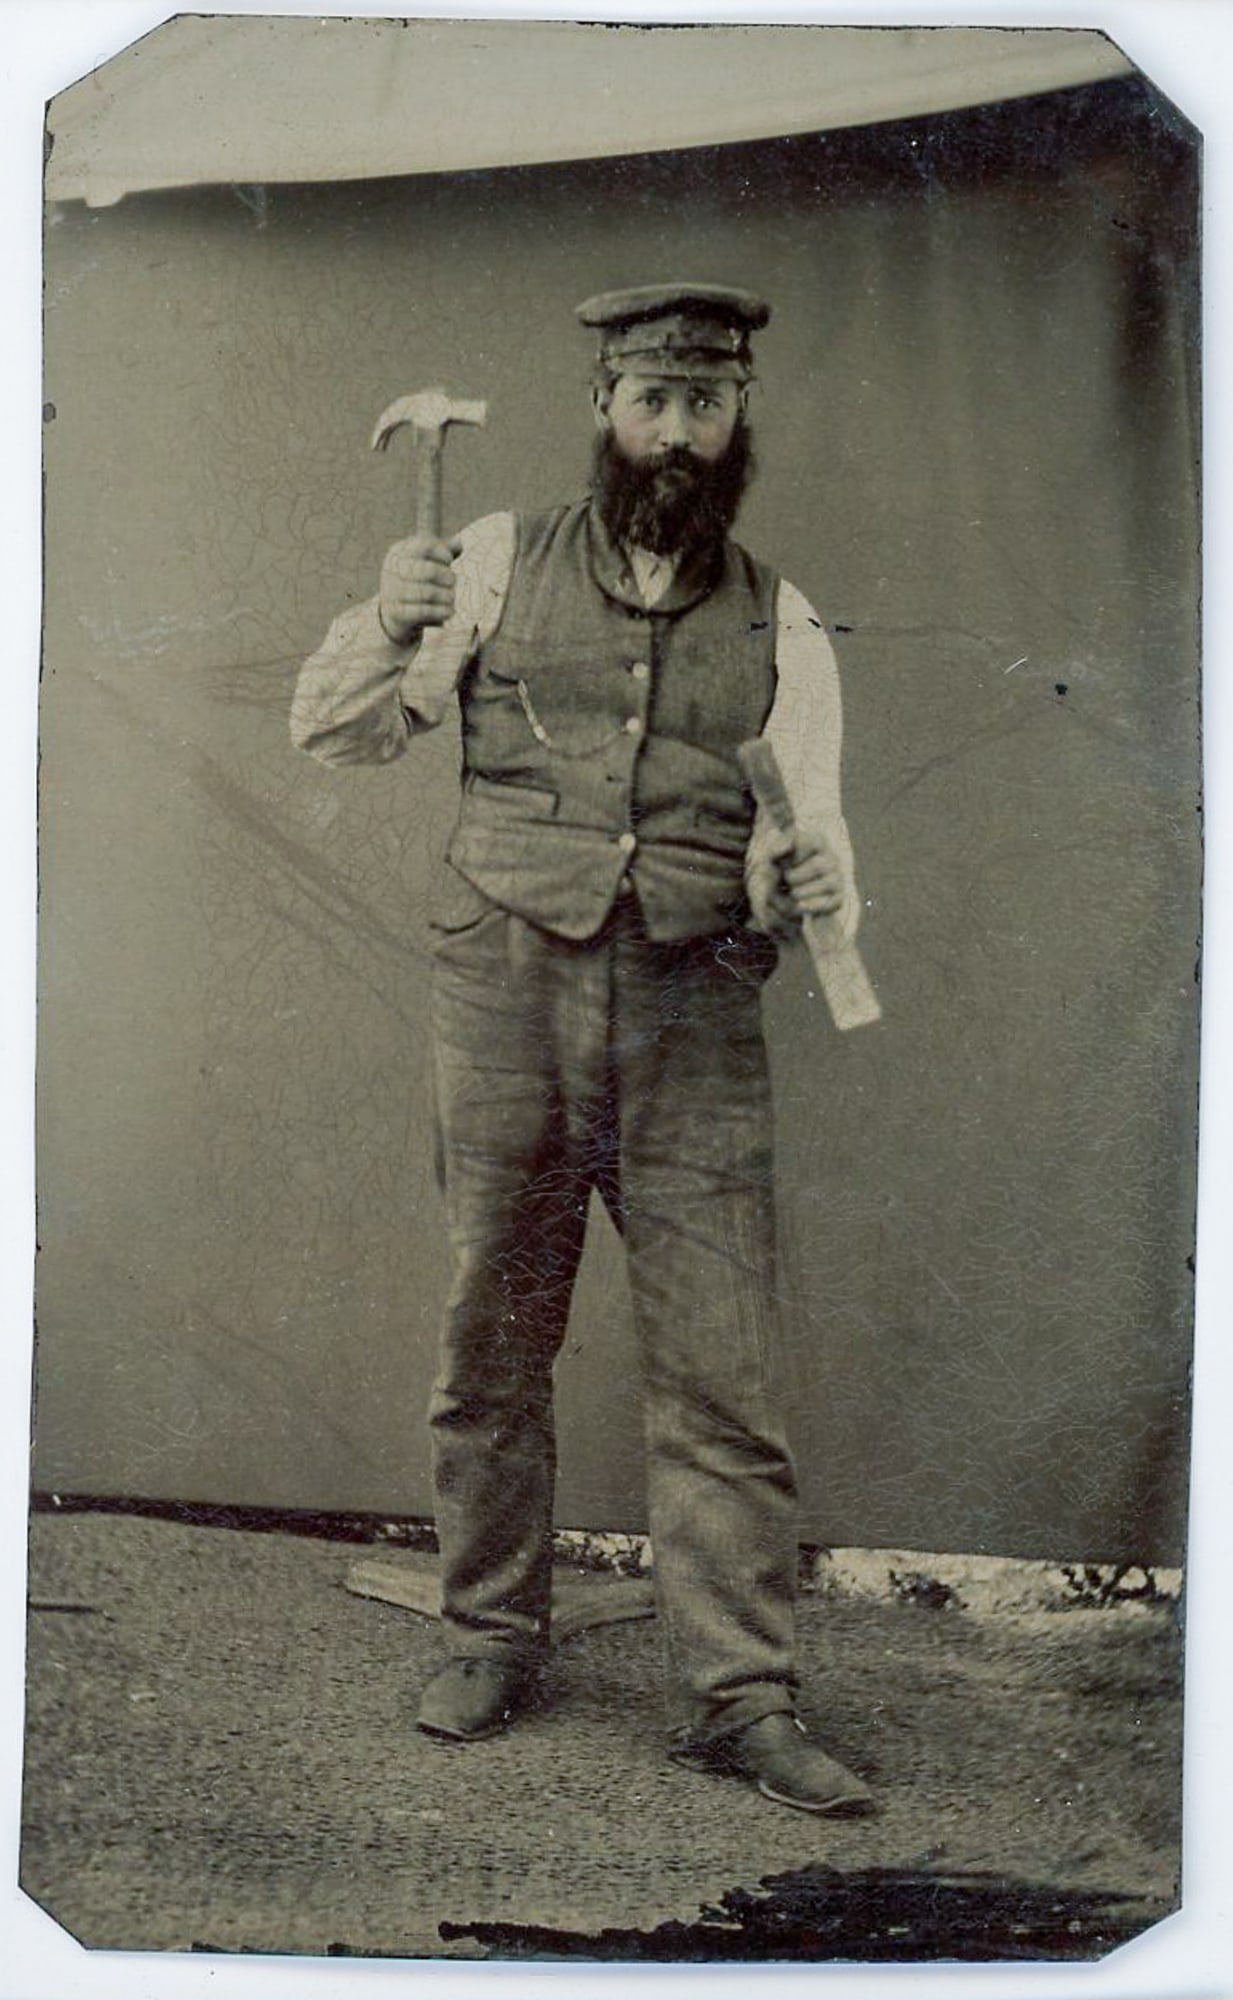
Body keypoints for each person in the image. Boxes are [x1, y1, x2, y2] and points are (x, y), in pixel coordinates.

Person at [291, 283, 872, 1815]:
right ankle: (487, 1634)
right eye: (650, 400)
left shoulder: (784, 620)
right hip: (507, 995)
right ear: (602, 408)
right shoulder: (484, 562)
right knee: (493, 1329)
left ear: (738, 421)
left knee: (721, 1370)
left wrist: (804, 881)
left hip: (695, 1015)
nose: (675, 432)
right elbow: (336, 731)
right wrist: (386, 622)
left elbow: (806, 838)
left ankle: (741, 1698)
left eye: (704, 404)